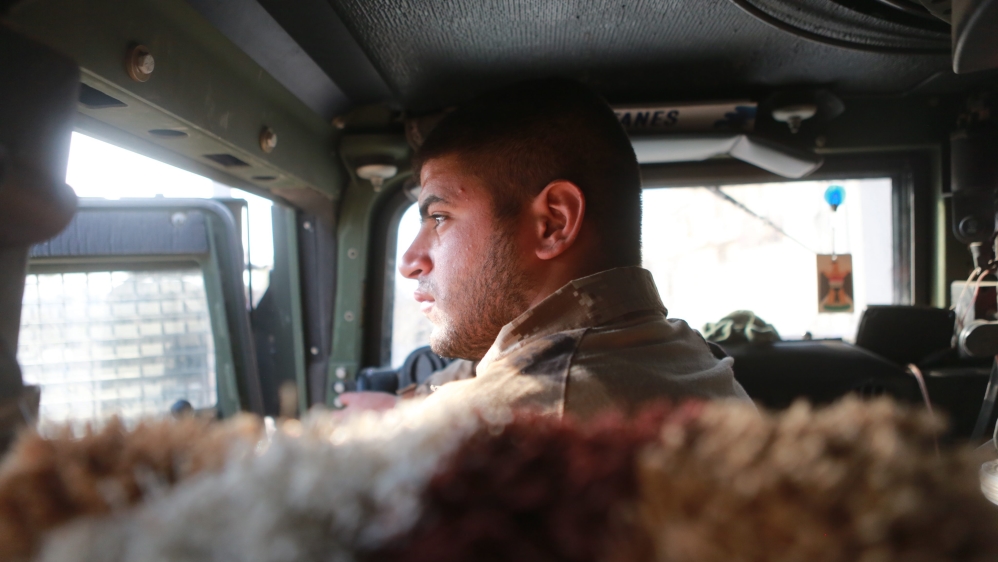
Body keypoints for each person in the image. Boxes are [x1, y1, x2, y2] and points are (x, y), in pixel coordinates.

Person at [341, 79, 751, 420]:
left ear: (553, 222)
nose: (409, 262)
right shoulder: (692, 358)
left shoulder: (498, 424)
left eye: (439, 217)